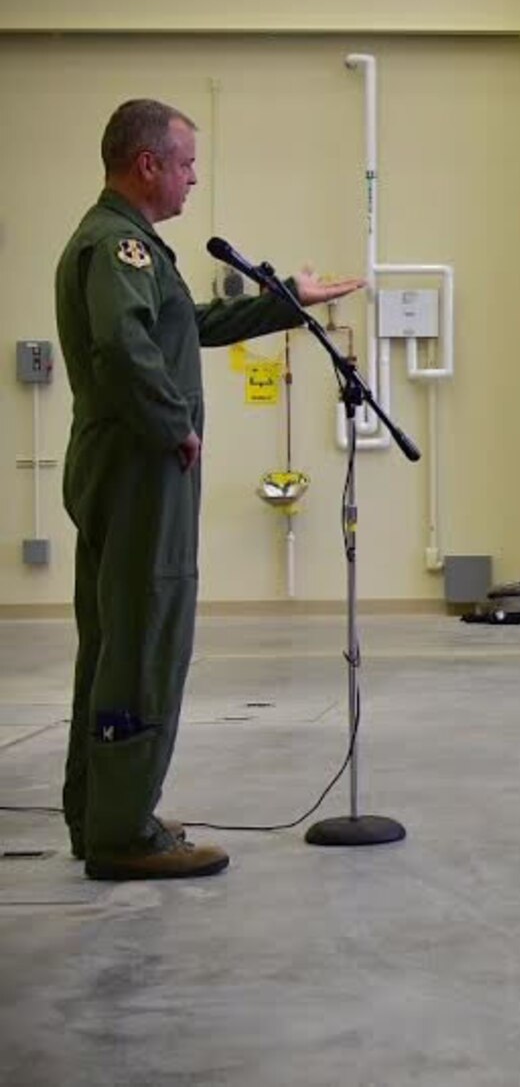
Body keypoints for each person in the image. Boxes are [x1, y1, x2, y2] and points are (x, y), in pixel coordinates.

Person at [57, 99, 366, 880]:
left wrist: (285, 302)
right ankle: (123, 832)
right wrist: (174, 425)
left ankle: (104, 811)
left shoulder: (125, 245)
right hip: (138, 469)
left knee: (115, 636)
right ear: (148, 164)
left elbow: (184, 322)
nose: (196, 178)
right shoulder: (118, 246)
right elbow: (125, 348)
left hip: (123, 463)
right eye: (188, 163)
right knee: (143, 637)